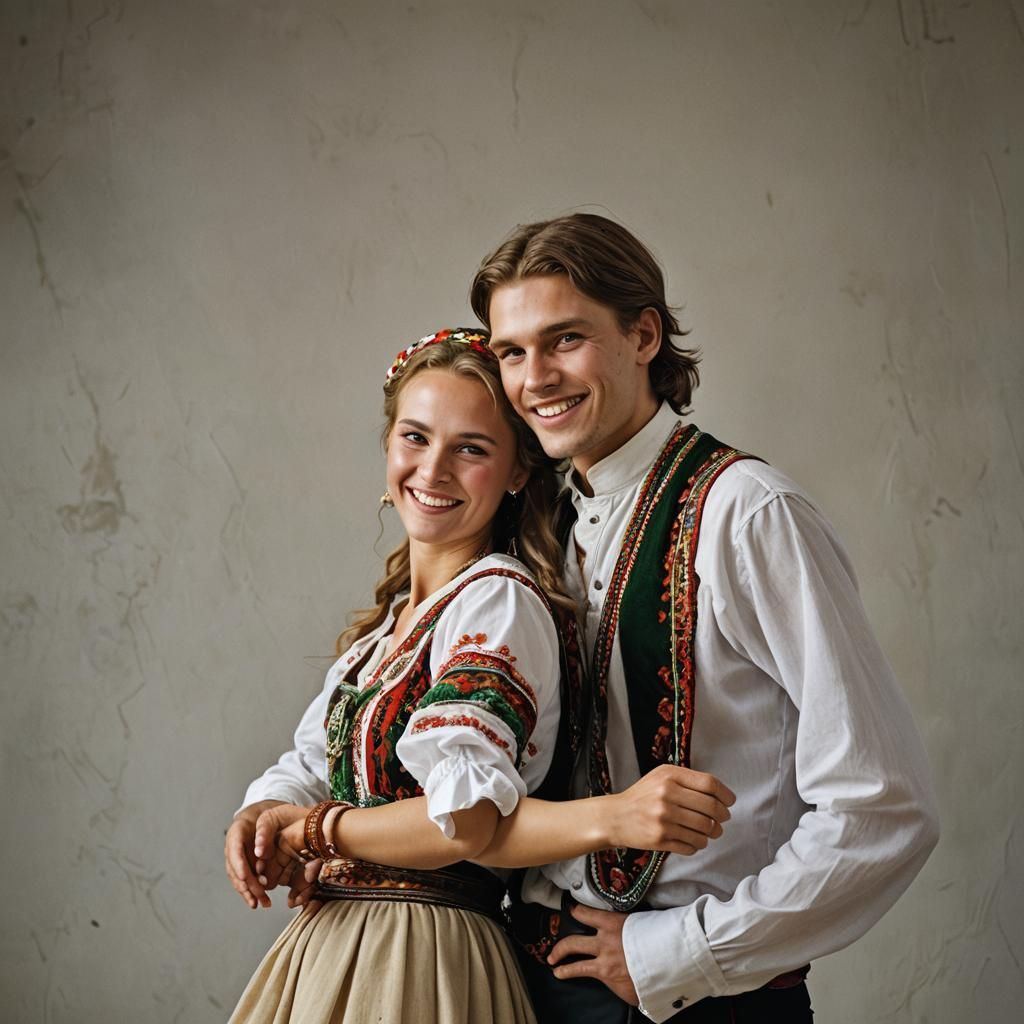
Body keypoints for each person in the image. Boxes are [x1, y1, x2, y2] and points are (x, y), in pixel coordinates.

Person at [470, 213, 941, 1023]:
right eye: (512, 352)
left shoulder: (748, 513)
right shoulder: (533, 522)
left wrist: (685, 952)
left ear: (645, 334)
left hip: (698, 1001)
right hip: (535, 983)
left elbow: (883, 804)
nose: (534, 377)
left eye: (565, 340)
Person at [224, 329, 736, 1024]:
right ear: (387, 449)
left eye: (471, 449)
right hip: (334, 944)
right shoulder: (385, 635)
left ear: (518, 472)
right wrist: (262, 819)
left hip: (422, 951)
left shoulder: (495, 598)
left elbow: (462, 821)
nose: (432, 471)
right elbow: (312, 766)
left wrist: (314, 834)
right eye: (415, 437)